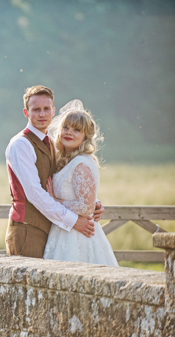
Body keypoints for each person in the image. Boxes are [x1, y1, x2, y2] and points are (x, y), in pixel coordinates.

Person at [5, 85, 103, 258]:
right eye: (36, 110)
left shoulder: (52, 144)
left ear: (53, 111)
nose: (42, 114)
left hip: (54, 230)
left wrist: (92, 203)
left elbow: (66, 183)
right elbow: (34, 193)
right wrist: (74, 221)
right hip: (28, 230)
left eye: (46, 109)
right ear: (26, 113)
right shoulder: (21, 144)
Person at [43, 101, 118, 266]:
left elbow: (86, 207)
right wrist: (95, 203)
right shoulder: (66, 160)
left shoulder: (81, 163)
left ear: (85, 136)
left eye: (76, 130)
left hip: (77, 235)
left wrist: (54, 201)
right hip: (64, 230)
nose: (69, 132)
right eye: (66, 128)